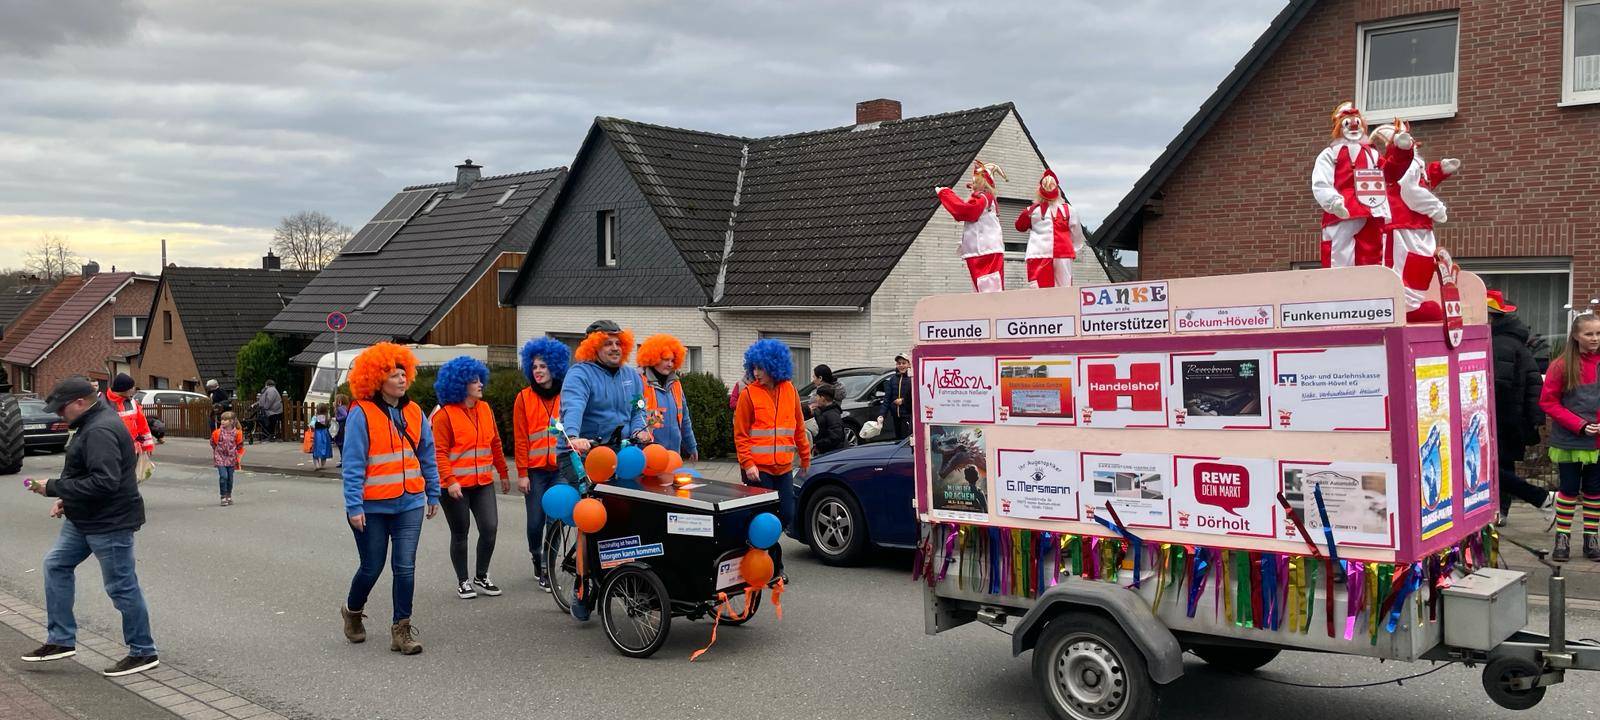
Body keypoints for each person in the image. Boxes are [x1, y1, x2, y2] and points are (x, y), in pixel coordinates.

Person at [21, 376, 160, 677]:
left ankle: (143, 651)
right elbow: (89, 476)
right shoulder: (91, 424)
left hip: (109, 522)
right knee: (56, 565)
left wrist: (54, 488)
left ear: (80, 403)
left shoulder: (99, 430)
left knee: (121, 586)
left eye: (61, 409)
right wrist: (69, 500)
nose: (59, 415)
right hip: (85, 518)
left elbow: (105, 482)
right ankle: (60, 640)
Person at [339, 343, 441, 654]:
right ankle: (353, 612)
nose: (400, 379)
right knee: (371, 566)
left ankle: (401, 630)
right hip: (372, 506)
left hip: (409, 501)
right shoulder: (362, 413)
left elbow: (427, 453)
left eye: (403, 374)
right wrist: (354, 505)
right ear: (376, 379)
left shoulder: (414, 411)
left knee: (405, 567)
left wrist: (432, 491)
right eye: (393, 374)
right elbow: (353, 463)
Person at [559, 320, 649, 620]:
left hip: (617, 452)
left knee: (635, 508)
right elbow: (572, 406)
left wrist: (642, 431)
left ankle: (631, 573)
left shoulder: (630, 376)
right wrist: (573, 436)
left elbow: (638, 409)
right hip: (581, 453)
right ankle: (582, 588)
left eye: (617, 342)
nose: (614, 347)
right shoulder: (580, 375)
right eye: (607, 342)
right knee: (591, 515)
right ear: (592, 346)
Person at [430, 356, 510, 600]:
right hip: (454, 486)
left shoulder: (485, 409)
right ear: (459, 384)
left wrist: (504, 473)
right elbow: (439, 452)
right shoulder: (444, 415)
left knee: (490, 528)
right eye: (474, 381)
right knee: (460, 532)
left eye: (479, 379)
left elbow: (495, 442)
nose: (480, 384)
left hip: (483, 482)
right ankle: (463, 581)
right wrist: (450, 480)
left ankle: (481, 576)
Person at [1538, 313, 1600, 562]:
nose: (1595, 338)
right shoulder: (1561, 365)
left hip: (1597, 441)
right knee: (1569, 488)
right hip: (1571, 438)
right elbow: (1548, 402)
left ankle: (1591, 537)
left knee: (1595, 490)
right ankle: (1562, 538)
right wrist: (1580, 425)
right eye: (1589, 334)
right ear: (1576, 336)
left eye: (1598, 333)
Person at [734, 338, 811, 533]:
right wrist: (748, 463)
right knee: (761, 518)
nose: (756, 373)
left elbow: (799, 426)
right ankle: (763, 556)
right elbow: (740, 433)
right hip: (758, 469)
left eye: (761, 368)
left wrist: (805, 457)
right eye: (754, 368)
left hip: (783, 466)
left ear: (773, 366)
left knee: (786, 514)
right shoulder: (748, 394)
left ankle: (769, 554)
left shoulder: (790, 390)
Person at [1491, 290, 1554, 525]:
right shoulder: (1512, 341)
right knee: (1503, 465)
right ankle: (1502, 511)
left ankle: (1538, 498)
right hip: (1511, 418)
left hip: (1501, 418)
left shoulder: (1500, 344)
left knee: (1494, 469)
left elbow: (1497, 386)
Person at [514, 337, 570, 591]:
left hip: (560, 469)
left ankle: (547, 567)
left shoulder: (567, 396)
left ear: (554, 368)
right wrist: (522, 473)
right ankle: (536, 555)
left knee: (555, 520)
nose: (538, 371)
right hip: (535, 472)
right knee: (535, 522)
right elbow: (520, 438)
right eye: (534, 367)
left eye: (543, 366)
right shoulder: (523, 398)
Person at [1311, 101, 1391, 268]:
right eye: (1348, 123)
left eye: (1357, 122)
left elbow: (1391, 174)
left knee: (1372, 258)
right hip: (1343, 211)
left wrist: (1402, 152)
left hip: (1372, 210)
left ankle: (1372, 291)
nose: (1354, 127)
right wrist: (1334, 202)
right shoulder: (1330, 154)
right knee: (1339, 257)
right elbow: (1321, 183)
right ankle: (1339, 292)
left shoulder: (1373, 154)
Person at [936, 160, 1008, 292]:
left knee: (989, 292)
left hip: (984, 252)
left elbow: (964, 212)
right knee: (984, 291)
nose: (973, 184)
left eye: (976, 182)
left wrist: (945, 194)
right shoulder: (985, 198)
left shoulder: (983, 198)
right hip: (982, 250)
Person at [1013, 169, 1087, 289]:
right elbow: (1077, 234)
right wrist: (1073, 248)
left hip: (1038, 253)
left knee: (1041, 291)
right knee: (1065, 289)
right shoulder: (1069, 210)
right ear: (1058, 191)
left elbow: (1019, 226)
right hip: (1063, 253)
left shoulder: (1031, 211)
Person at [637, 334, 698, 461]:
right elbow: (635, 417)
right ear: (653, 358)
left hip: (673, 455)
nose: (670, 364)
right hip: (648, 455)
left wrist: (691, 446)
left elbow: (684, 418)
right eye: (666, 359)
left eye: (672, 360)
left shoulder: (676, 384)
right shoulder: (639, 382)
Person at [104, 373, 156, 457]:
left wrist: (147, 445)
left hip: (132, 450)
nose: (133, 389)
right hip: (112, 450)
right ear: (125, 389)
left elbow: (142, 424)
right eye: (131, 387)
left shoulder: (132, 402)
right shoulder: (104, 403)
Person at [211, 411, 245, 506]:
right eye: (222, 419)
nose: (222, 421)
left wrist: (236, 455)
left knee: (230, 478)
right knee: (223, 476)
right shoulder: (217, 432)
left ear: (231, 421)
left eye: (225, 420)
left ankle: (228, 494)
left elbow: (240, 445)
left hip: (231, 458)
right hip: (220, 457)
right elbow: (213, 442)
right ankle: (223, 496)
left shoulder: (237, 433)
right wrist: (217, 452)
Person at [878, 353, 914, 442]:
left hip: (908, 416)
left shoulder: (912, 379)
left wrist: (903, 401)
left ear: (909, 364)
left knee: (906, 441)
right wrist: (881, 415)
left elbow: (917, 397)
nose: (901, 365)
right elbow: (887, 399)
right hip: (895, 417)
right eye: (899, 363)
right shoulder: (892, 379)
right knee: (898, 441)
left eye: (904, 363)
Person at [811, 384, 847, 455]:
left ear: (823, 398)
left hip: (831, 454)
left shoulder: (832, 415)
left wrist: (817, 445)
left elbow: (835, 437)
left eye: (817, 396)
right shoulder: (824, 411)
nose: (816, 399)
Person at [310, 404, 334, 471]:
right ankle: (323, 465)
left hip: (318, 434)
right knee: (325, 448)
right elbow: (329, 424)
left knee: (316, 448)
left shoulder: (315, 417)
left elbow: (312, 425)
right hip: (325, 433)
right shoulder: (327, 416)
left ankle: (317, 465)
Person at [332, 393, 350, 464]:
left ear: (339, 401)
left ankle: (343, 460)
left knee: (340, 444)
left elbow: (345, 416)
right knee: (342, 444)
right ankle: (343, 460)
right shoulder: (345, 407)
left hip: (341, 428)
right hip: (343, 427)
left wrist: (337, 418)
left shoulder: (340, 408)